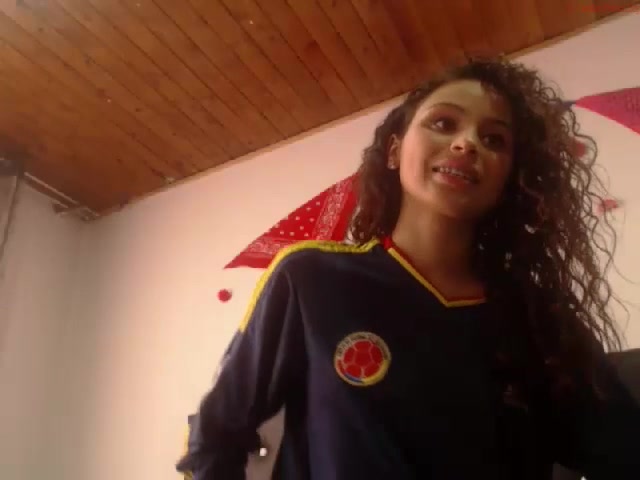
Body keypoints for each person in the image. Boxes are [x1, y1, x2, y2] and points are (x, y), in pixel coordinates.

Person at [176, 58, 640, 480]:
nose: (466, 143)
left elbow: (623, 450)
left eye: (494, 139)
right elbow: (215, 437)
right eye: (443, 123)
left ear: (509, 178)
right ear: (395, 151)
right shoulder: (311, 280)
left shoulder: (539, 318)